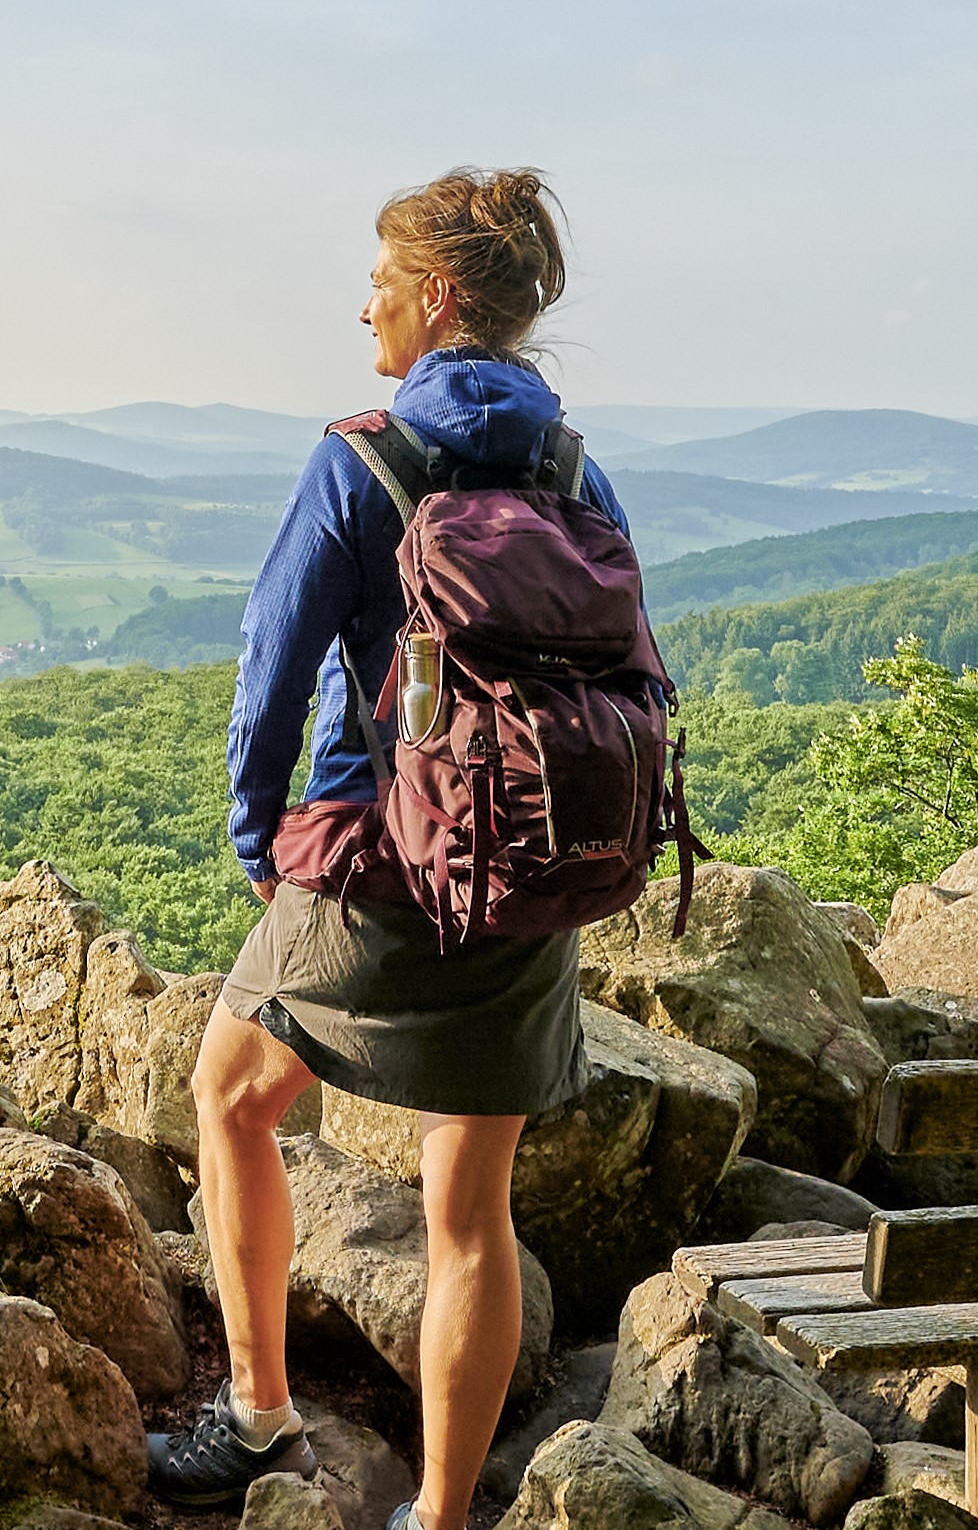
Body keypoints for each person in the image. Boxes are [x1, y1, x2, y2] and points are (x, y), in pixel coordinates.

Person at [155, 169, 623, 1530]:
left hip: (378, 848)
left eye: (377, 280)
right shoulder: (572, 467)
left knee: (232, 1096)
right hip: (531, 862)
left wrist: (258, 830)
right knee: (468, 1200)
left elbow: (274, 660)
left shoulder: (361, 457)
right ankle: (438, 1513)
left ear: (435, 299)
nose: (361, 302)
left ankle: (253, 1420)